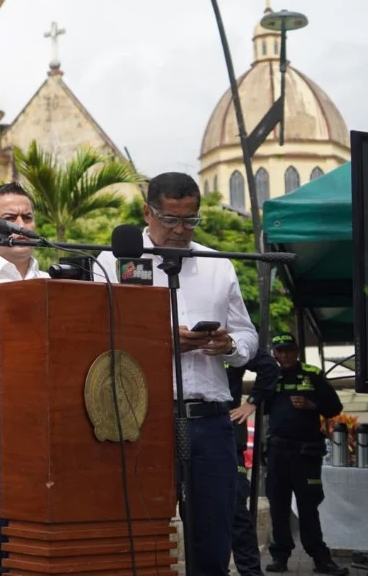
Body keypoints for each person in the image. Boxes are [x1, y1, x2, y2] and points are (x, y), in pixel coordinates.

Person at [95, 172, 257, 576]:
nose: (181, 230)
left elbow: (248, 335)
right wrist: (158, 342)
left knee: (213, 533)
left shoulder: (218, 264)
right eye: (170, 220)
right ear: (147, 212)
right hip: (142, 418)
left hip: (210, 419)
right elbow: (95, 338)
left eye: (191, 220)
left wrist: (230, 346)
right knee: (141, 534)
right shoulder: (114, 262)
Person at [0, 182, 49, 576]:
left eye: (27, 217)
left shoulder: (53, 280)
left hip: (48, 435)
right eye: (8, 218)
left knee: (36, 548)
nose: (20, 225)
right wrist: (26, 388)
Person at [264, 333, 348, 575]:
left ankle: (320, 559)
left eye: (289, 350)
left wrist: (313, 405)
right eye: (280, 351)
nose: (285, 355)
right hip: (278, 452)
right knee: (277, 506)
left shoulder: (312, 373)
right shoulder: (271, 376)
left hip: (306, 453)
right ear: (274, 353)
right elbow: (260, 404)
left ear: (297, 350)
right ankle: (279, 556)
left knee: (308, 506)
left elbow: (335, 408)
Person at [225, 352, 280, 576]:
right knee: (198, 510)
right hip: (190, 434)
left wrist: (251, 403)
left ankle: (250, 572)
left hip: (228, 437)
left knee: (237, 508)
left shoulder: (227, 342)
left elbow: (268, 367)